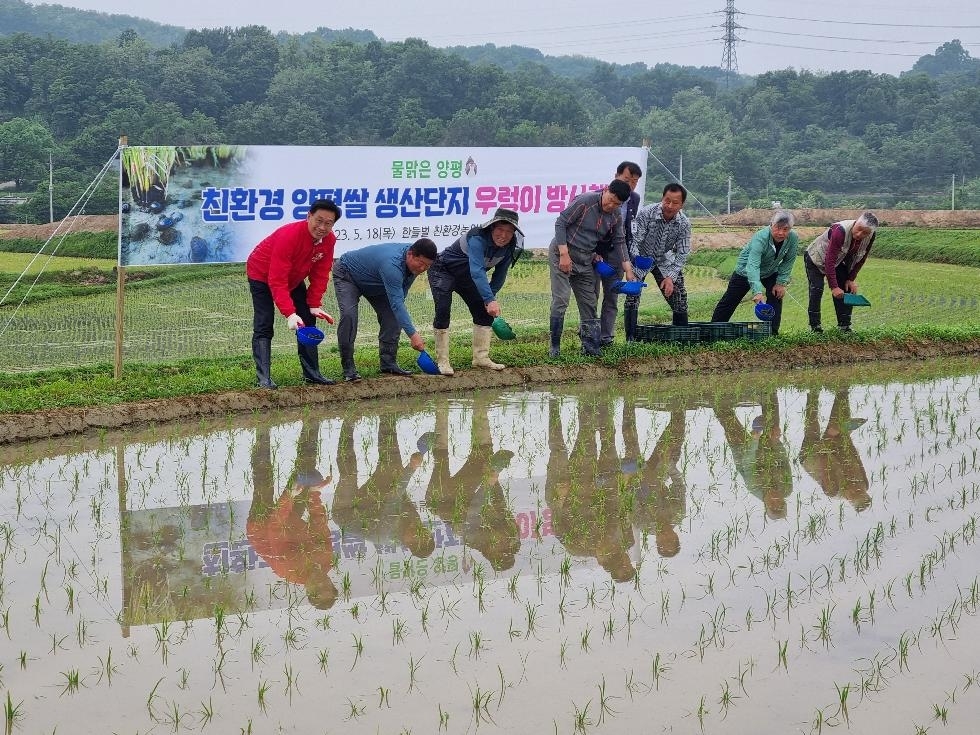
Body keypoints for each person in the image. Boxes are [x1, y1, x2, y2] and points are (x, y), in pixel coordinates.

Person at [246, 199, 342, 388]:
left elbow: (321, 272)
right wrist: (289, 313)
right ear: (309, 217)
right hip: (262, 274)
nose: (322, 227)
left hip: (294, 278)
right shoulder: (289, 236)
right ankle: (263, 378)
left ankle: (312, 373)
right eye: (318, 220)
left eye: (328, 223)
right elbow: (276, 279)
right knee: (264, 323)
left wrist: (314, 303)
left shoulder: (329, 240)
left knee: (307, 317)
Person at [246, 419, 338, 610]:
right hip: (292, 525)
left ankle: (263, 426)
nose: (322, 581)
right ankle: (311, 421)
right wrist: (313, 493)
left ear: (308, 590)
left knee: (264, 479)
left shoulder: (289, 567)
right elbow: (319, 524)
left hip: (262, 528)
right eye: (327, 585)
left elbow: (274, 526)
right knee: (306, 470)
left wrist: (289, 496)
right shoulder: (327, 561)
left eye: (318, 587)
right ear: (331, 583)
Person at [425, 398, 520, 571]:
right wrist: (494, 477)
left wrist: (486, 484)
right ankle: (480, 403)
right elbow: (500, 504)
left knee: (441, 459)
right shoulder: (511, 534)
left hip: (442, 500)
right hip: (467, 495)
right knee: (484, 457)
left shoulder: (474, 538)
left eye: (500, 549)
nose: (504, 544)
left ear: (490, 551)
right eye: (507, 548)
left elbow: (474, 510)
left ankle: (440, 406)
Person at [427, 208, 525, 375]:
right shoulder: (477, 238)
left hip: (468, 277)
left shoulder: (509, 247)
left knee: (483, 312)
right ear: (492, 227)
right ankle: (442, 361)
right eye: (500, 229)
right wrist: (489, 299)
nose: (504, 235)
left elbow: (499, 276)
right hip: (444, 270)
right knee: (443, 310)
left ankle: (481, 358)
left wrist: (489, 299)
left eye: (509, 231)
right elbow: (478, 271)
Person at [549, 180, 637, 357]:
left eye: (617, 204)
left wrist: (628, 270)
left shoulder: (616, 216)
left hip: (586, 258)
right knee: (561, 299)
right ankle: (554, 347)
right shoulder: (585, 201)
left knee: (589, 302)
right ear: (605, 190)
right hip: (563, 252)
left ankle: (590, 347)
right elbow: (561, 222)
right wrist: (564, 254)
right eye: (610, 199)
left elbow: (619, 241)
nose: (611, 205)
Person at [331, 415, 436, 560]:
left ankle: (348, 422)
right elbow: (400, 494)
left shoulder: (387, 532)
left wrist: (412, 467)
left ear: (408, 541)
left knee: (348, 475)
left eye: (418, 532)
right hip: (376, 502)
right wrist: (401, 471)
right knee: (392, 464)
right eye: (424, 529)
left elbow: (395, 497)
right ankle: (387, 414)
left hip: (346, 512)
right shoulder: (414, 523)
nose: (419, 526)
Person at [331, 238, 437, 381]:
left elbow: (399, 300)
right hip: (348, 274)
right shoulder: (392, 265)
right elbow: (397, 303)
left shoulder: (413, 266)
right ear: (410, 254)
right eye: (421, 263)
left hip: (376, 281)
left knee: (393, 315)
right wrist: (413, 334)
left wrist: (398, 313)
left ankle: (388, 363)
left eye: (427, 265)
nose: (423, 269)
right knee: (349, 316)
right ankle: (348, 368)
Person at [710, 210, 798, 336]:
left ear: (790, 229)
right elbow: (753, 265)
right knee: (730, 300)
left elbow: (789, 260)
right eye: (777, 228)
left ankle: (772, 333)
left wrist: (781, 282)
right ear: (771, 225)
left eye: (785, 229)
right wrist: (757, 291)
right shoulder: (761, 237)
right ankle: (713, 331)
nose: (781, 233)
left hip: (770, 270)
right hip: (746, 270)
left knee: (776, 295)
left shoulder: (793, 238)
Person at [625, 182, 692, 338]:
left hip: (664, 260)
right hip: (642, 258)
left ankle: (680, 338)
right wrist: (636, 260)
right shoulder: (646, 213)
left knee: (679, 298)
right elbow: (635, 240)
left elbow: (682, 253)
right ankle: (631, 339)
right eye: (667, 200)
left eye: (675, 203)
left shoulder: (684, 224)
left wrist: (670, 277)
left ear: (681, 205)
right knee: (632, 296)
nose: (669, 205)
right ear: (662, 198)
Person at [715, 392, 793, 520]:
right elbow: (784, 461)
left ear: (765, 505)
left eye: (772, 504)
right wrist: (775, 441)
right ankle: (769, 391)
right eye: (780, 502)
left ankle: (716, 395)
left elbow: (748, 460)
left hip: (744, 453)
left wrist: (755, 439)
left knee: (725, 415)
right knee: (773, 427)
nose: (775, 499)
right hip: (768, 453)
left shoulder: (754, 486)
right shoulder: (787, 488)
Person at [804, 212, 879, 333]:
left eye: (865, 233)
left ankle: (844, 327)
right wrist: (834, 287)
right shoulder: (840, 230)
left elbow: (862, 258)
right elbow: (829, 259)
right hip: (816, 258)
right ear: (856, 222)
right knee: (816, 289)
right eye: (859, 229)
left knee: (847, 287)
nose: (859, 234)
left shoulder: (871, 236)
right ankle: (815, 327)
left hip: (838, 261)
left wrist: (851, 279)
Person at [800, 388, 871, 511]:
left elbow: (822, 457)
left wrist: (832, 435)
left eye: (854, 494)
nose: (857, 489)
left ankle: (813, 392)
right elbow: (854, 457)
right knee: (840, 429)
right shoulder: (864, 483)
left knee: (813, 428)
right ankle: (842, 392)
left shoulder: (833, 490)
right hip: (835, 455)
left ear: (849, 498)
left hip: (811, 457)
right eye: (861, 491)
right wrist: (844, 434)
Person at [595, 162, 642, 347]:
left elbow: (626, 231)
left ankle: (606, 338)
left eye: (635, 182)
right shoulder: (600, 195)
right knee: (591, 295)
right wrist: (593, 252)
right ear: (616, 176)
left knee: (612, 295)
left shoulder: (635, 199)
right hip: (596, 252)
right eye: (626, 180)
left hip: (617, 253)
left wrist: (627, 261)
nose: (630, 185)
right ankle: (589, 335)